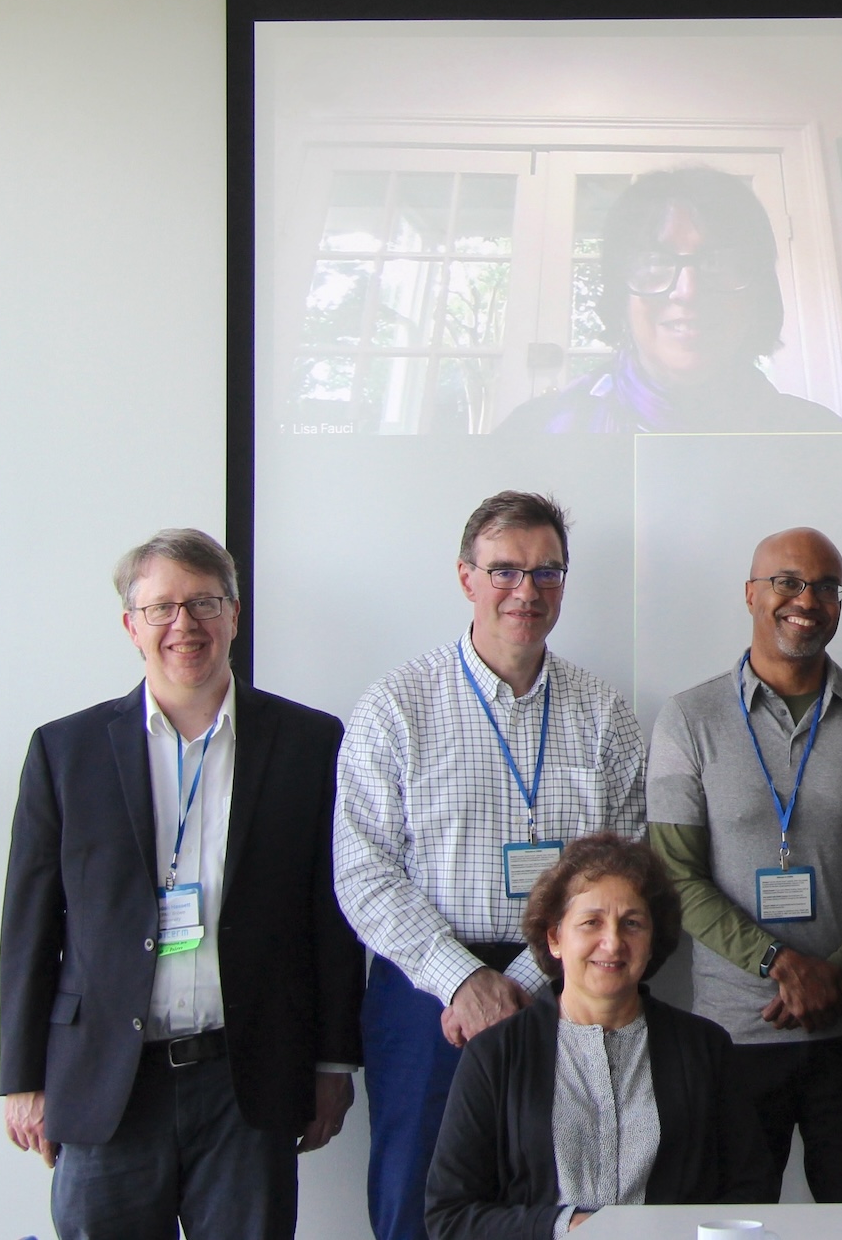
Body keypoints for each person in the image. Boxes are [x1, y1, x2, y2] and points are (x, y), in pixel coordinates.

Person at [0, 529, 363, 1239]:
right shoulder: (64, 751)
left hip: (246, 1077)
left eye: (204, 602)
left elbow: (332, 913)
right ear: (130, 625)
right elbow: (29, 925)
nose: (184, 625)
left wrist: (332, 1061)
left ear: (234, 613)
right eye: (161, 606)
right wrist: (21, 1077)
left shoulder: (310, 743)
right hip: (108, 1080)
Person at [335, 491, 648, 1240]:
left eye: (547, 573)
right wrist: (467, 981)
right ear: (465, 576)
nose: (526, 592)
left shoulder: (604, 713)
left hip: (568, 990)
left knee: (558, 1202)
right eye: (504, 570)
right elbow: (363, 871)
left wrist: (526, 981)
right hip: (426, 999)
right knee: (419, 1205)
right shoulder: (396, 706)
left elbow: (630, 865)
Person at [646, 526, 842, 1202]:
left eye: (827, 586)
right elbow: (675, 874)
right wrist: (785, 964)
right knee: (730, 1227)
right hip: (731, 1035)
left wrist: (837, 972)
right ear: (751, 593)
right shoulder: (687, 718)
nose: (808, 599)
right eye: (788, 581)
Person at [424, 835, 777, 1238]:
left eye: (632, 923)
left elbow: (752, 1189)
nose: (612, 942)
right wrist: (569, 1227)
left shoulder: (705, 1048)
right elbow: (449, 1216)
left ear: (653, 940)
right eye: (591, 922)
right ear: (555, 938)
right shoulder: (495, 1054)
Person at [496, 167, 842, 435]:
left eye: (718, 261)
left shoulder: (826, 442)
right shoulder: (533, 435)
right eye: (655, 262)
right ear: (620, 290)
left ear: (758, 291)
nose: (688, 290)